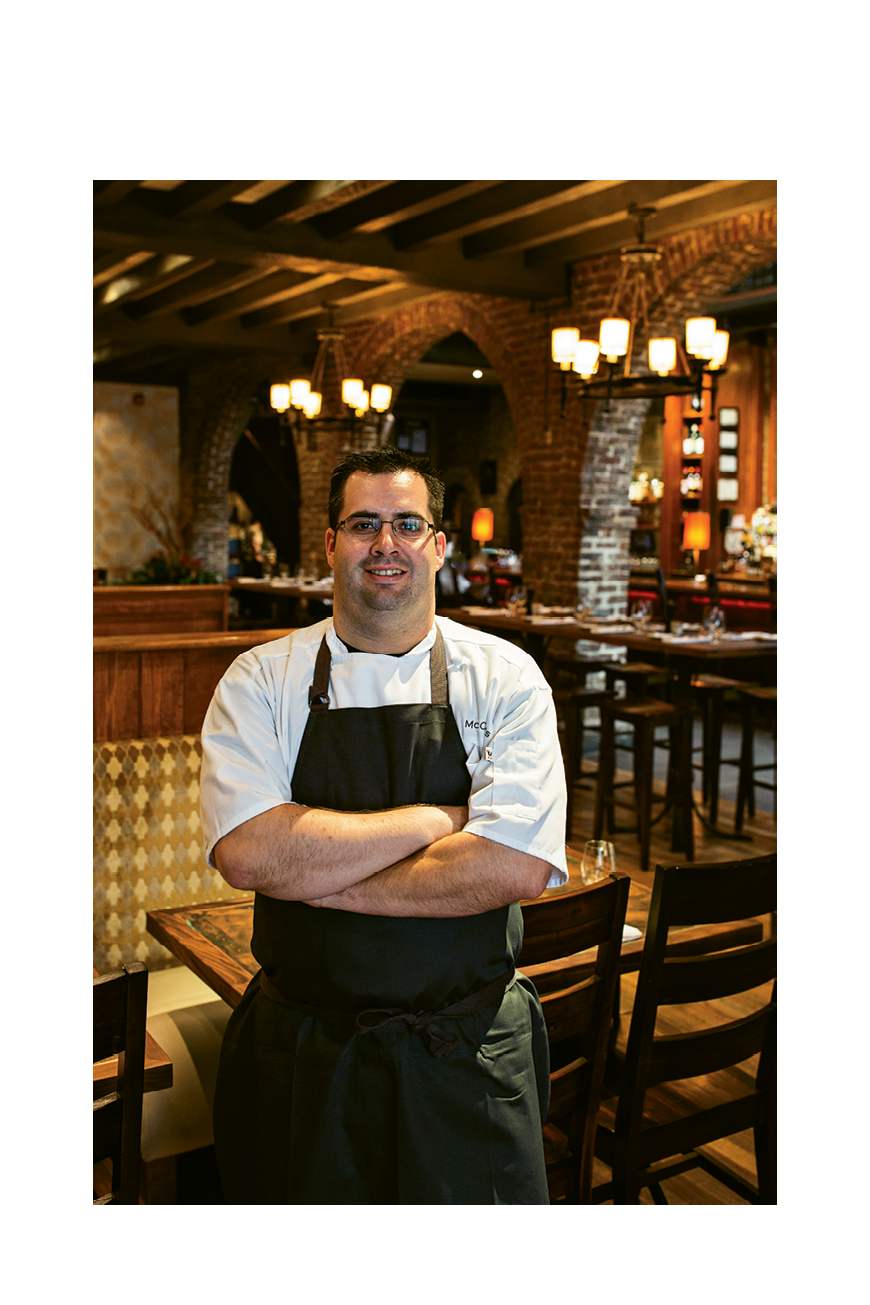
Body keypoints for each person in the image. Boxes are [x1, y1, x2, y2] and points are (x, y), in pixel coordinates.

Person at [200, 446, 568, 1204]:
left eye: (407, 523)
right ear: (330, 543)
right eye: (364, 523)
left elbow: (512, 867)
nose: (386, 542)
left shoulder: (504, 677)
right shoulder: (261, 679)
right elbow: (249, 853)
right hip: (304, 1052)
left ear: (439, 544)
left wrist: (315, 877)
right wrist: (441, 819)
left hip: (468, 1053)